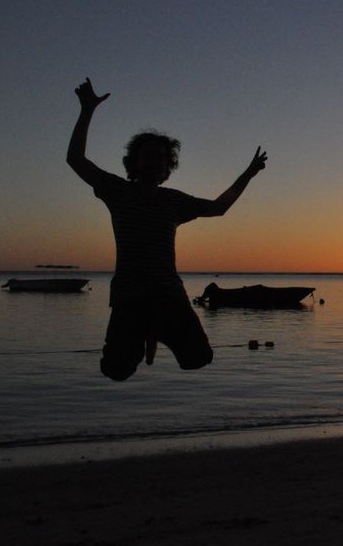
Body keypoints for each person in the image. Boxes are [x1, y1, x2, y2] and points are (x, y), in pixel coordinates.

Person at [67, 78, 267, 381]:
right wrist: (87, 110)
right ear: (134, 163)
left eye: (161, 159)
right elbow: (76, 160)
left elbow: (219, 207)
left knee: (199, 358)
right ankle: (148, 331)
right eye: (148, 157)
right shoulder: (118, 191)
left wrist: (248, 174)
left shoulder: (174, 201)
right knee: (116, 371)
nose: (154, 163)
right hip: (130, 296)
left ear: (167, 168)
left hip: (168, 295)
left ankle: (156, 330)